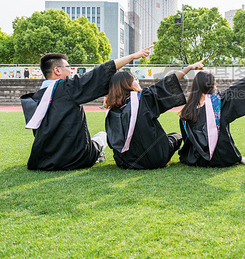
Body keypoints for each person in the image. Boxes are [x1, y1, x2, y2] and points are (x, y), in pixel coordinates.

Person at [23, 46, 152, 171]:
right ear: (57, 70)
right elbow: (100, 73)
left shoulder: (35, 98)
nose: (71, 71)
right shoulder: (68, 87)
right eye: (68, 67)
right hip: (75, 159)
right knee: (102, 136)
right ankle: (98, 155)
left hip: (42, 161)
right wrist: (133, 56)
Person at [104, 58, 206, 170]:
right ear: (127, 84)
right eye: (135, 79)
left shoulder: (111, 110)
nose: (138, 81)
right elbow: (167, 83)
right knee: (176, 136)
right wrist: (190, 67)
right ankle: (171, 156)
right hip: (155, 159)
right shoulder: (143, 98)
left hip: (125, 162)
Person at [178, 59, 245, 167]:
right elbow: (243, 84)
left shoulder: (186, 111)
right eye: (214, 84)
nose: (216, 87)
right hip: (220, 158)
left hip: (195, 158)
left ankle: (240, 158)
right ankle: (240, 158)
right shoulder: (218, 103)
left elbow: (188, 140)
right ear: (208, 86)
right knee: (221, 125)